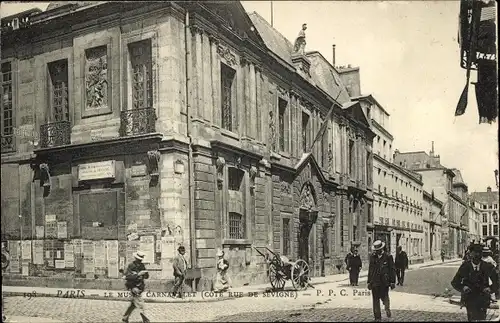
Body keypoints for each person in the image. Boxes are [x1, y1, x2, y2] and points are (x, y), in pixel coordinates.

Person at [451, 243, 499, 321]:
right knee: (472, 318)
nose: (477, 254)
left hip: (483, 298)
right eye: (475, 252)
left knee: (481, 318)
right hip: (469, 298)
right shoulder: (465, 266)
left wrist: (490, 289)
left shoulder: (487, 266)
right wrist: (463, 287)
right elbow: (455, 282)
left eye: (479, 252)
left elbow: (497, 282)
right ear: (470, 254)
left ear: (482, 253)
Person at [367, 240, 396, 322]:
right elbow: (370, 270)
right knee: (375, 300)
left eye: (378, 250)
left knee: (384, 297)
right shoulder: (373, 257)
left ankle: (387, 308)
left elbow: (392, 269)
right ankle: (377, 317)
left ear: (381, 249)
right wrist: (369, 282)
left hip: (384, 281)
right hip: (375, 281)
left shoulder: (388, 257)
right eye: (375, 250)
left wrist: (392, 281)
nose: (376, 252)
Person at [121, 251, 150, 323]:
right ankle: (146, 320)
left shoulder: (142, 265)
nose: (140, 260)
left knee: (133, 304)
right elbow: (127, 276)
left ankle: (125, 317)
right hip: (133, 287)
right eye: (138, 259)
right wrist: (138, 274)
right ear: (135, 258)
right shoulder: (131, 265)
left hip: (140, 286)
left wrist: (145, 274)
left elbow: (147, 276)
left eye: (141, 259)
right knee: (140, 303)